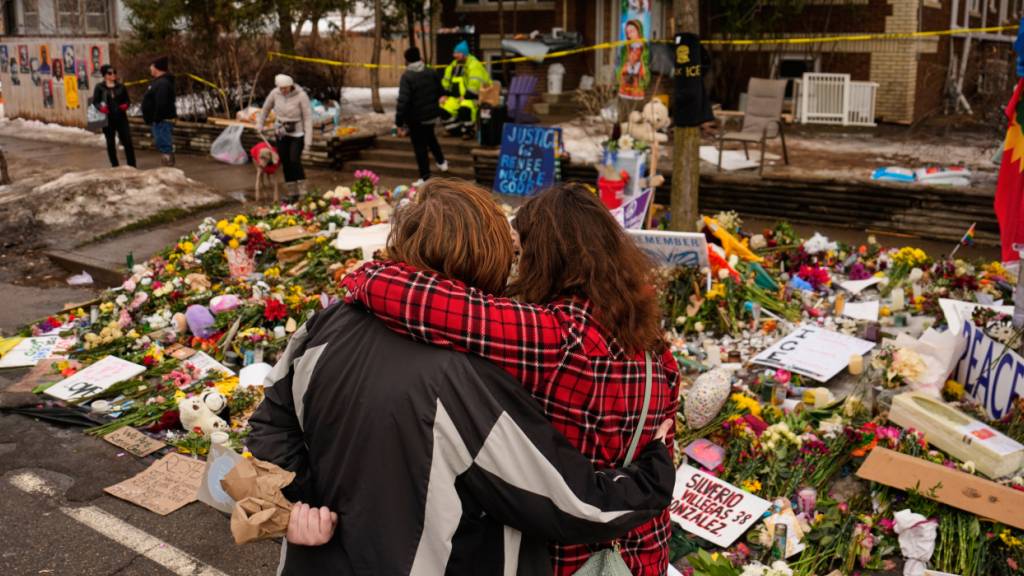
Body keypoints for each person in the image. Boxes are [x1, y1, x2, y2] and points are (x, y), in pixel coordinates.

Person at [248, 179, 676, 575]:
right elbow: (566, 500)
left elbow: (270, 423)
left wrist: (299, 501)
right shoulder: (472, 376)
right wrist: (654, 475)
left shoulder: (327, 324)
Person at [396, 46, 448, 187]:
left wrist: (399, 121)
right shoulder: (431, 72)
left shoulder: (407, 77)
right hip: (431, 115)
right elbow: (441, 91)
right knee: (430, 138)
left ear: (407, 60)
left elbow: (403, 101)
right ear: (419, 57)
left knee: (420, 147)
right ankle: (442, 162)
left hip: (415, 119)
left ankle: (425, 177)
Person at [257, 74, 313, 200]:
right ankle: (293, 193)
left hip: (297, 134)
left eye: (286, 88)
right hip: (281, 132)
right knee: (286, 162)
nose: (283, 91)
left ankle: (303, 192)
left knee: (294, 160)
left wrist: (308, 142)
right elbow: (265, 109)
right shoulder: (275, 93)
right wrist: (260, 123)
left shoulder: (301, 96)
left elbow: (308, 118)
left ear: (291, 85)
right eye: (281, 88)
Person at [441, 40, 490, 139]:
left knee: (465, 108)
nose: (455, 55)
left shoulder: (474, 65)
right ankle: (454, 130)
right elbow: (446, 81)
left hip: (473, 97)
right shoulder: (454, 65)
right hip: (456, 97)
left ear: (464, 54)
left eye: (458, 53)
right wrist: (444, 94)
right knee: (442, 108)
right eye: (454, 53)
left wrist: (465, 96)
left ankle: (468, 131)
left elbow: (475, 85)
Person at [92, 64, 136, 168]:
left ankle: (132, 165)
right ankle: (115, 165)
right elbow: (95, 101)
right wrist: (100, 108)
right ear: (104, 75)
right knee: (110, 143)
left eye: (114, 72)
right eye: (110, 73)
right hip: (108, 119)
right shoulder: (99, 87)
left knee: (127, 141)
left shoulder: (121, 86)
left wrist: (126, 105)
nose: (113, 75)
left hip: (121, 118)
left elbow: (127, 100)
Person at [141, 56, 177, 166]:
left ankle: (168, 169)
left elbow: (162, 103)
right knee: (162, 144)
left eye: (152, 66)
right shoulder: (159, 82)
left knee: (164, 145)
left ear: (157, 68)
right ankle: (167, 167)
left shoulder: (162, 84)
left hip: (162, 120)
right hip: (160, 120)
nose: (150, 68)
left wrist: (156, 118)